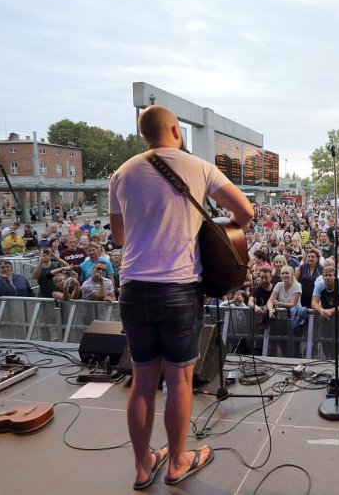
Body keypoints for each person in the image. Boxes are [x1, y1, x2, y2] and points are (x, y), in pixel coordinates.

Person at [109, 105, 253, 488]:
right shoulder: (199, 166)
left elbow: (120, 237)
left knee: (142, 381)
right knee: (179, 379)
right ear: (176, 129)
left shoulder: (122, 173)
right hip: (179, 286)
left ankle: (142, 468)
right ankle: (176, 462)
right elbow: (245, 211)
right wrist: (214, 233)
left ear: (144, 136)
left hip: (134, 286)